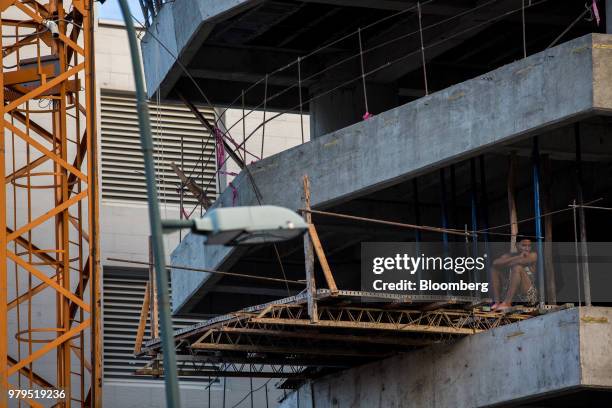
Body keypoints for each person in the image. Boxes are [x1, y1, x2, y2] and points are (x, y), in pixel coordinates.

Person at [490, 239, 538, 311]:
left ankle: (507, 303)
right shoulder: (512, 255)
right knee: (494, 269)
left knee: (517, 267)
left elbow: (520, 261)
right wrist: (517, 257)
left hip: (528, 297)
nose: (527, 248)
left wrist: (504, 263)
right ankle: (497, 302)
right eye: (524, 245)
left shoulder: (533, 255)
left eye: (529, 246)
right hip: (514, 296)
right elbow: (495, 263)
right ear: (517, 245)